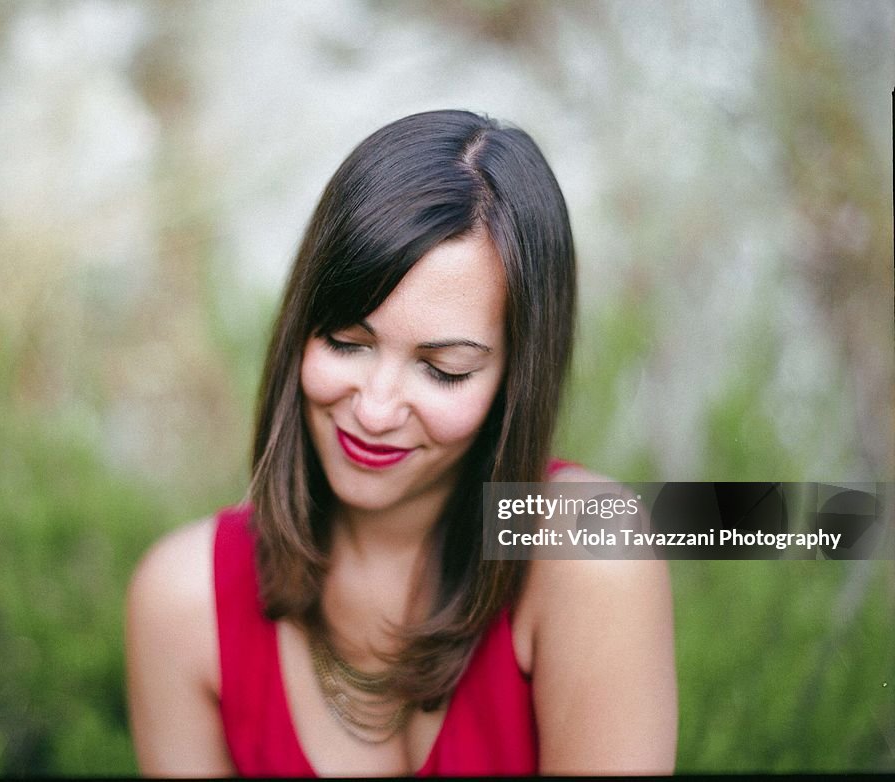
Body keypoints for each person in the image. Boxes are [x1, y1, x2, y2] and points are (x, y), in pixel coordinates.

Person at [125, 109, 677, 776]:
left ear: (514, 379)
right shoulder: (183, 603)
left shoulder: (590, 551)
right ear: (300, 328)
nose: (377, 409)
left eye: (443, 370)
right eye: (345, 342)